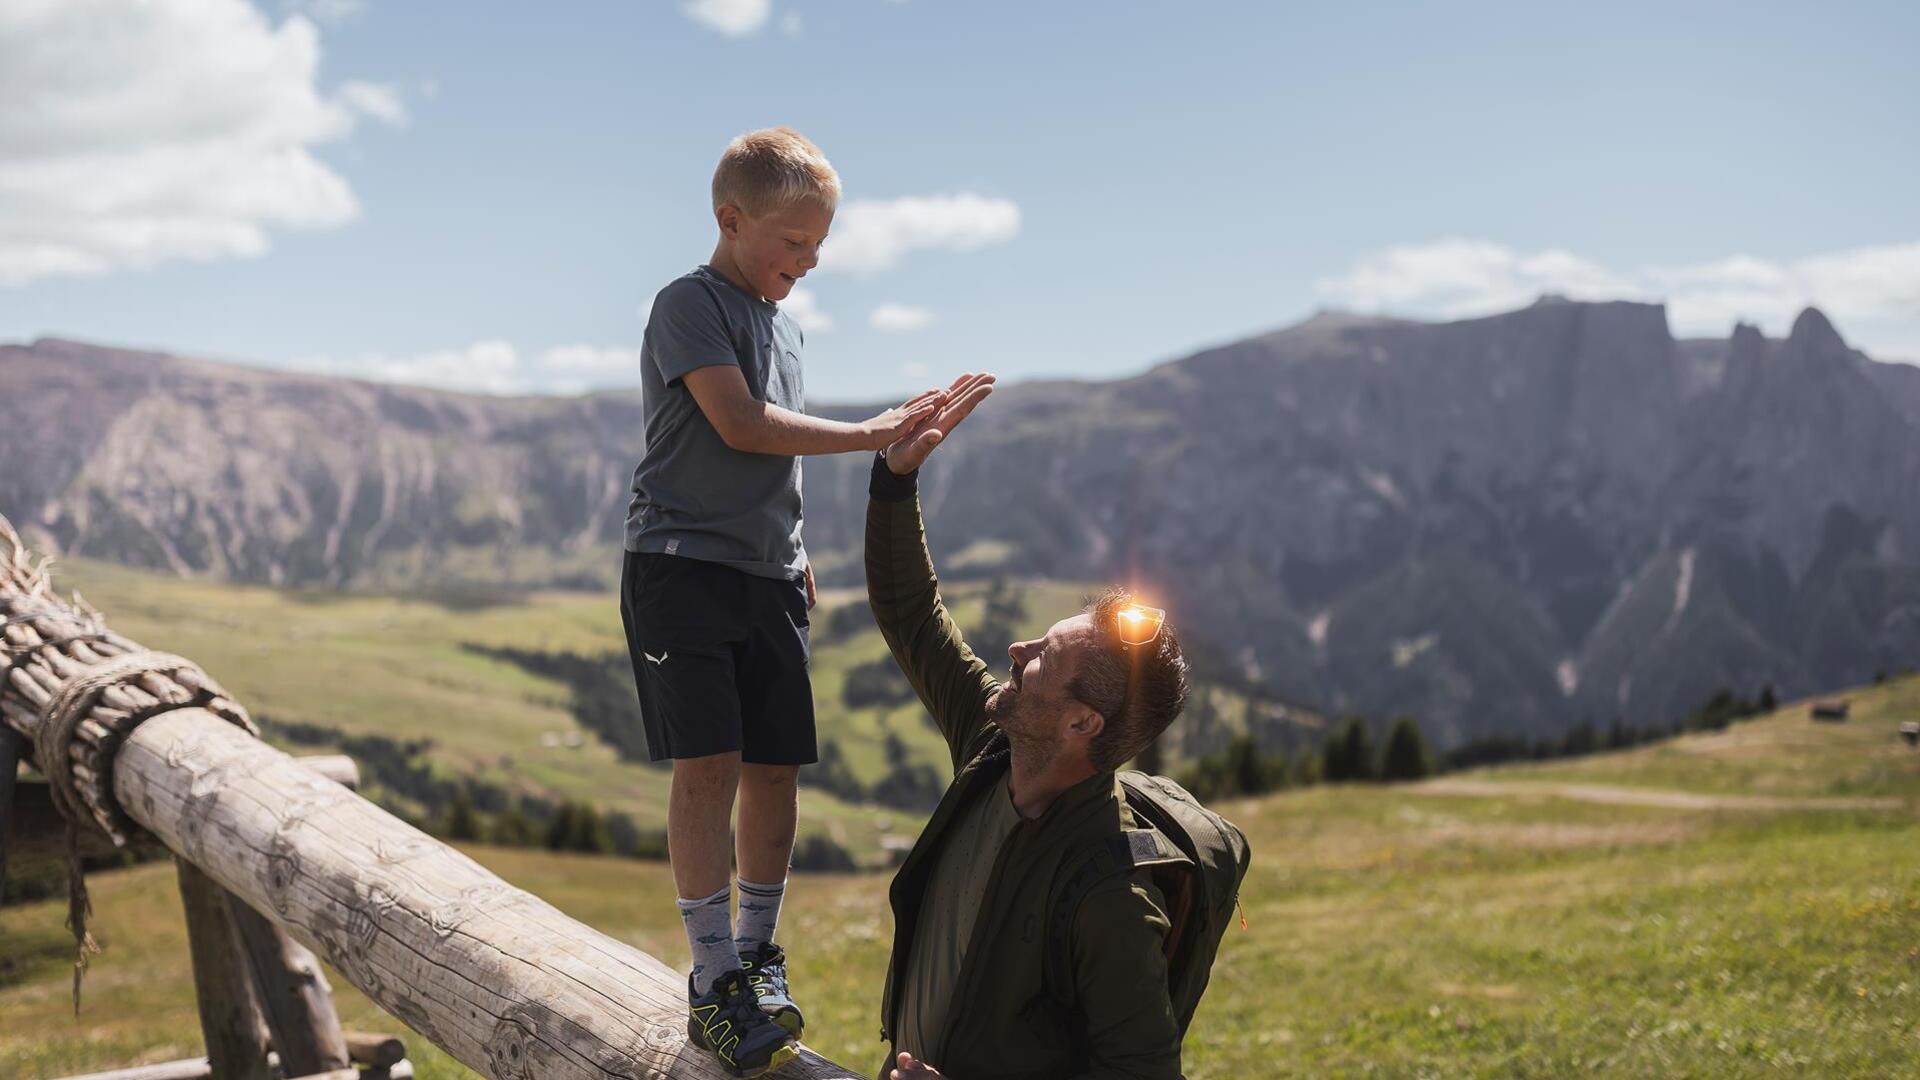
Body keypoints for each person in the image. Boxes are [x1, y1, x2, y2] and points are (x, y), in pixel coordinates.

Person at [620, 126, 952, 1077]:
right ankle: (711, 978)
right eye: (795, 241)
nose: (810, 261)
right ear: (732, 220)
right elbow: (742, 425)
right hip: (682, 567)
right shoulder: (688, 303)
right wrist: (871, 432)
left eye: (820, 244)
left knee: (776, 769)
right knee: (709, 765)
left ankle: (758, 959)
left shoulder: (787, 327)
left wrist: (793, 551)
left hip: (768, 575)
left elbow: (777, 468)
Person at [865, 372, 1192, 1080]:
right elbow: (912, 615)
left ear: (1081, 722)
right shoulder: (992, 747)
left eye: (1043, 658)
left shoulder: (1113, 895)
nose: (1017, 650)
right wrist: (895, 479)